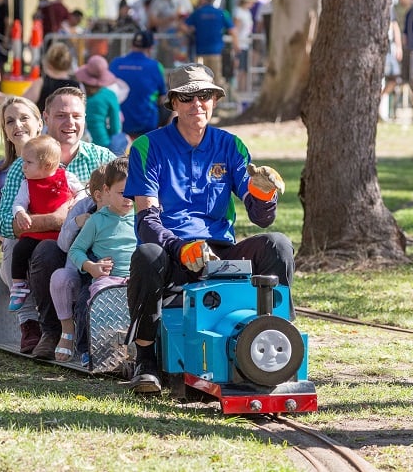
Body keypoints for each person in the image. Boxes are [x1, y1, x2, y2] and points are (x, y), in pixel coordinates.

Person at [123, 63, 293, 394]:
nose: (197, 104)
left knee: (278, 244)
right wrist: (180, 248)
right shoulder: (147, 147)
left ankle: (277, 339)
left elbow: (261, 218)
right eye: (187, 98)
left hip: (220, 251)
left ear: (215, 100)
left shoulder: (232, 146)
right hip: (172, 253)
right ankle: (145, 359)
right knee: (146, 254)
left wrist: (263, 193)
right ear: (173, 103)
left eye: (205, 96)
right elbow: (146, 221)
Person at [0, 86, 116, 357]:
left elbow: (124, 201)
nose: (70, 123)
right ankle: (51, 331)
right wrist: (56, 220)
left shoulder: (103, 158)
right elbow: (5, 222)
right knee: (46, 251)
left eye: (76, 115)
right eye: (61, 115)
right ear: (45, 117)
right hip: (49, 246)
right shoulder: (26, 162)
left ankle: (107, 330)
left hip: (97, 242)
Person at [64, 157, 135, 361]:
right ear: (106, 190)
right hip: (107, 279)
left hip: (135, 278)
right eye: (122, 193)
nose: (128, 199)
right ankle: (90, 348)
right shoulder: (96, 221)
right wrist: (91, 267)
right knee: (96, 301)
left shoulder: (141, 218)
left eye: (132, 192)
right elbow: (76, 250)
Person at [8, 135, 86, 312]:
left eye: (28, 162)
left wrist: (77, 201)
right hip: (38, 235)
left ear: (48, 166)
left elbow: (81, 191)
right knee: (19, 250)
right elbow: (18, 203)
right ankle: (18, 286)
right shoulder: (27, 184)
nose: (23, 166)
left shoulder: (65, 176)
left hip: (65, 233)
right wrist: (20, 213)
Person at [51, 165, 108, 363]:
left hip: (115, 272)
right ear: (97, 195)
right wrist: (77, 222)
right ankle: (69, 333)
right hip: (82, 270)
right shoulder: (85, 208)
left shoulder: (127, 209)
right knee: (69, 285)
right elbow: (65, 245)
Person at [0, 97, 42, 247]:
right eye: (10, 121)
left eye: (24, 118)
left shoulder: (57, 164)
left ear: (39, 124)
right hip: (16, 243)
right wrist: (6, 239)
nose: (17, 125)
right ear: (5, 130)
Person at [0, 41, 79, 113]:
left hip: (48, 137)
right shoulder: (78, 85)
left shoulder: (41, 83)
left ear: (48, 62)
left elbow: (18, 103)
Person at [109, 30, 167, 141]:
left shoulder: (115, 63)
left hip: (118, 124)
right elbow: (162, 98)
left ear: (132, 45)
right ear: (150, 48)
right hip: (146, 127)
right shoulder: (155, 66)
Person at [182, 0, 239, 92]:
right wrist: (236, 47)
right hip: (217, 53)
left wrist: (192, 33)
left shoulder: (197, 13)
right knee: (217, 79)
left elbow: (183, 26)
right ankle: (217, 104)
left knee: (200, 79)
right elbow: (233, 30)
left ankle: (203, 102)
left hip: (200, 52)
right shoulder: (222, 13)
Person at [74, 55, 123, 153]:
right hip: (102, 143)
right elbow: (116, 127)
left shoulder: (75, 93)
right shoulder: (110, 95)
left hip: (77, 140)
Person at [233, 0, 255, 92]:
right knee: (239, 70)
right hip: (240, 44)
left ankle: (242, 90)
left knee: (244, 70)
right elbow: (235, 29)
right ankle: (237, 91)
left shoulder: (247, 12)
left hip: (246, 44)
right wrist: (236, 44)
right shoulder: (238, 11)